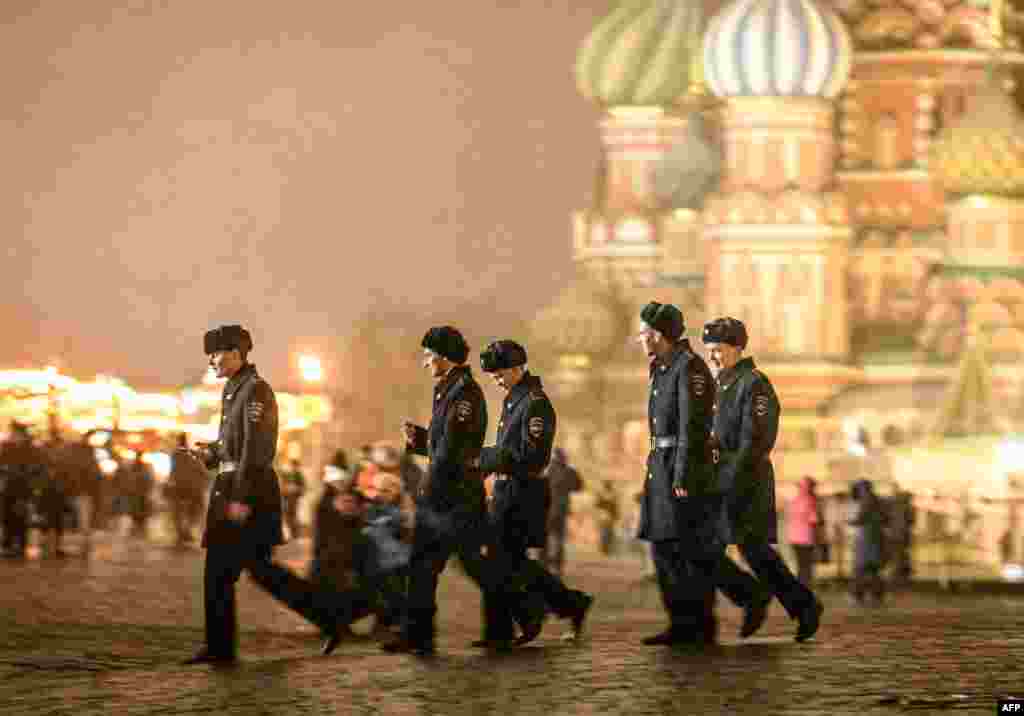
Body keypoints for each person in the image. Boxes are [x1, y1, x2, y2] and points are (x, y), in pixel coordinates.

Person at [182, 324, 351, 665]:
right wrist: (211, 453)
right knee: (252, 571)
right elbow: (233, 446)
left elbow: (255, 449)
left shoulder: (256, 391)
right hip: (234, 488)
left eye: (215, 354)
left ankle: (222, 647)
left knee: (235, 570)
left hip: (249, 491)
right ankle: (331, 619)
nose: (211, 361)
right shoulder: (234, 390)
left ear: (235, 353)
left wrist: (242, 498)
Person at [382, 326, 505, 655]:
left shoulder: (464, 393)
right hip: (442, 495)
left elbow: (452, 451)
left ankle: (508, 622)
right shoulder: (448, 389)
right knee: (422, 566)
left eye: (428, 356)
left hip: (456, 498)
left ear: (444, 357)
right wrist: (420, 439)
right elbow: (443, 444)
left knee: (474, 565)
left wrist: (426, 486)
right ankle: (418, 634)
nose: (425, 363)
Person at [702, 317, 823, 642]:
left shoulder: (754, 384)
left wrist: (730, 477)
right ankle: (753, 598)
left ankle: (801, 605)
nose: (713, 357)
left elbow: (756, 439)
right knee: (705, 547)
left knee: (754, 551)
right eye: (709, 350)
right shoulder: (718, 386)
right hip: (716, 479)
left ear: (738, 349)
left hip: (746, 479)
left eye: (719, 350)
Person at [477, 340, 593, 646]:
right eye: (493, 375)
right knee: (511, 562)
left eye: (500, 374)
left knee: (505, 561)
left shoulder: (535, 403)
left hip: (523, 490)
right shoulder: (515, 399)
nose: (496, 380)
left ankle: (538, 613)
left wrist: (487, 459)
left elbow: (532, 456)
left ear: (517, 368)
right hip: (508, 488)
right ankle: (563, 606)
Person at [635, 302, 730, 646]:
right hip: (662, 464)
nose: (640, 339)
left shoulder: (688, 369)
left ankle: (700, 625)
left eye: (644, 333)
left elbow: (692, 427)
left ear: (659, 336)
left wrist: (681, 476)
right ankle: (679, 622)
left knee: (688, 549)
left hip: (682, 465)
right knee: (663, 549)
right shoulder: (662, 367)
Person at [1, 422, 43, 558]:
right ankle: (8, 545)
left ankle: (20, 546)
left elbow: (36, 469)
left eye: (15, 433)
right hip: (9, 488)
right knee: (8, 517)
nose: (13, 436)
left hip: (23, 489)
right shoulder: (7, 447)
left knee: (21, 517)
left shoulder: (30, 449)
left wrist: (33, 486)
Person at [543, 447, 582, 575]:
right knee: (558, 538)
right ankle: (557, 567)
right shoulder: (569, 470)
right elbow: (578, 486)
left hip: (547, 509)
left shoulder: (547, 469)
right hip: (561, 510)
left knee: (544, 537)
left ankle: (544, 564)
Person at [850, 479, 887, 606]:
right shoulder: (877, 500)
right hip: (875, 538)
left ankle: (858, 595)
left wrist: (850, 522)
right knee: (872, 569)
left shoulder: (867, 500)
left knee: (860, 569)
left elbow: (861, 518)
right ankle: (876, 595)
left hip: (867, 539)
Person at [786, 476, 821, 587]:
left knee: (800, 564)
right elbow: (814, 520)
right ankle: (804, 587)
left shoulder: (794, 501)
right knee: (806, 565)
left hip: (794, 537)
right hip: (806, 538)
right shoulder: (810, 501)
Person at [280, 459, 307, 539]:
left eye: (294, 466)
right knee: (287, 515)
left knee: (293, 515)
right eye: (292, 465)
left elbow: (303, 487)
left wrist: (296, 489)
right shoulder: (288, 475)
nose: (293, 467)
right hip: (287, 497)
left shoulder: (299, 475)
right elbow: (283, 484)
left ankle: (294, 533)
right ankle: (289, 532)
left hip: (294, 497)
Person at [593, 480, 620, 557]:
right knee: (604, 533)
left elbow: (615, 507)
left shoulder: (611, 495)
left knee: (607, 533)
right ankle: (604, 548)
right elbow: (597, 505)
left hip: (606, 516)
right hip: (604, 515)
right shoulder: (605, 494)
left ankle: (605, 548)